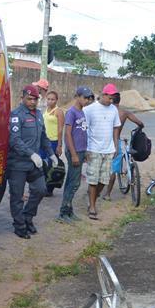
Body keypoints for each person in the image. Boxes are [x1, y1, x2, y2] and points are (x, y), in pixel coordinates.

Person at [7, 85, 57, 239]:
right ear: (22, 98)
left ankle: (28, 217)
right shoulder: (16, 115)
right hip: (18, 164)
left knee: (40, 189)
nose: (32, 102)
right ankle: (19, 225)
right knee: (17, 196)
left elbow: (43, 137)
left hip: (34, 164)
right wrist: (31, 154)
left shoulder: (39, 115)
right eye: (29, 99)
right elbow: (14, 140)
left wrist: (51, 154)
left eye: (35, 99)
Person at [83, 84, 122, 220]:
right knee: (93, 180)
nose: (111, 101)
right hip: (93, 149)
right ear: (103, 94)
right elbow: (84, 129)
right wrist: (85, 149)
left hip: (108, 149)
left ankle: (93, 196)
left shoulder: (114, 110)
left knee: (104, 180)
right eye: (110, 98)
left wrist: (116, 145)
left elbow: (116, 128)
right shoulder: (89, 109)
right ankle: (92, 206)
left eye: (113, 99)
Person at [57, 86, 94, 222]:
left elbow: (83, 133)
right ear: (77, 97)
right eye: (84, 98)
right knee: (74, 183)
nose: (87, 100)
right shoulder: (72, 112)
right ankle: (63, 213)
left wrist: (85, 152)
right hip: (74, 151)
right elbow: (68, 133)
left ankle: (69, 211)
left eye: (88, 98)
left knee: (71, 181)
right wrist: (73, 154)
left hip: (81, 150)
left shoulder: (82, 112)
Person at [102, 90, 145, 200]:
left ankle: (96, 189)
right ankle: (107, 194)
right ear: (120, 101)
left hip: (104, 142)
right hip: (116, 142)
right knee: (114, 170)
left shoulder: (105, 111)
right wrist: (139, 128)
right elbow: (140, 123)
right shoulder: (124, 112)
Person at [42, 90, 65, 196]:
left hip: (53, 142)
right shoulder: (46, 110)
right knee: (42, 164)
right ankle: (42, 186)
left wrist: (60, 145)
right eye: (49, 99)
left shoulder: (58, 111)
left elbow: (60, 129)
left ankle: (49, 189)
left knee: (51, 166)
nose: (50, 101)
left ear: (56, 100)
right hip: (44, 141)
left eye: (53, 99)